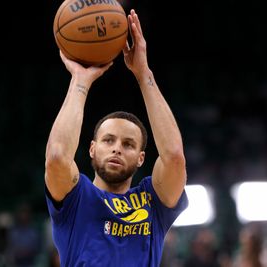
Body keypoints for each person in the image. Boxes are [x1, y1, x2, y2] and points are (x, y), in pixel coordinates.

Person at [44, 9, 188, 267]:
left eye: (128, 144)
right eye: (108, 140)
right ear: (92, 148)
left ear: (141, 157)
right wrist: (80, 80)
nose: (117, 149)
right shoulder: (76, 198)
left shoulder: (152, 201)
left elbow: (174, 157)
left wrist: (144, 74)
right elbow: (56, 156)